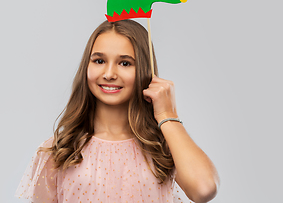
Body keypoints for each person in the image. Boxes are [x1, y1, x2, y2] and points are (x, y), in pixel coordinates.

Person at [15, 20, 219, 203]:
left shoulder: (164, 148)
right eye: (99, 61)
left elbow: (204, 189)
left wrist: (167, 116)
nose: (109, 74)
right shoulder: (60, 150)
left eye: (125, 63)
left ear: (145, 71)